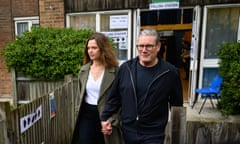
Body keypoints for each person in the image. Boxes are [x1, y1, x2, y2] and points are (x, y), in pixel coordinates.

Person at [101, 28, 183, 144]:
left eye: (149, 46)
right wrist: (105, 118)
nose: (144, 50)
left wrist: (176, 129)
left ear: (158, 47)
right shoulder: (126, 69)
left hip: (154, 134)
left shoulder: (170, 72)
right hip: (128, 131)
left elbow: (176, 105)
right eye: (140, 46)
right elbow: (114, 97)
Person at [71, 32, 123, 144]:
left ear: (103, 49)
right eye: (88, 48)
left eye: (94, 48)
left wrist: (113, 120)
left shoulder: (115, 71)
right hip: (86, 115)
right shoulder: (84, 70)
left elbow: (120, 99)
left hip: (106, 116)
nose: (90, 51)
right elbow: (79, 97)